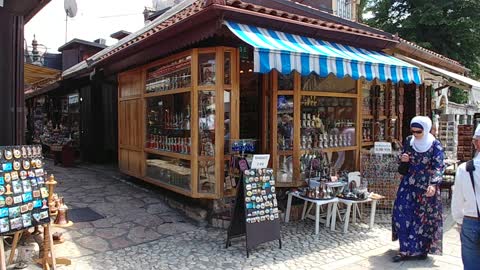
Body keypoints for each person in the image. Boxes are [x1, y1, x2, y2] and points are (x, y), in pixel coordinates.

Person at [392, 116, 445, 262]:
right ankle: (404, 249)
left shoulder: (435, 145)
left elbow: (439, 166)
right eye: (413, 131)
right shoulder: (409, 141)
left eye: (418, 131)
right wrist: (403, 159)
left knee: (422, 219)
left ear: (426, 130)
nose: (415, 134)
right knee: (401, 213)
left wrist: (433, 184)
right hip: (408, 183)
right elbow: (402, 157)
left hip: (425, 187)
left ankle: (420, 249)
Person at [451, 124, 480, 270]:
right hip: (471, 222)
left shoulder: (465, 168)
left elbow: (457, 201)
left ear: (477, 143)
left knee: (471, 265)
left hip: (472, 221)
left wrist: (460, 221)